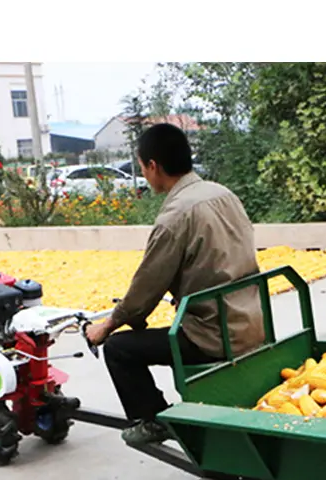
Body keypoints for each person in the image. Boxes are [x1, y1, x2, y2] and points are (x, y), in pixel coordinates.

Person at [85, 123, 264, 446]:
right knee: (149, 331)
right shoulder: (222, 193)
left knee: (119, 349)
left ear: (153, 166)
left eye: (141, 167)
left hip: (213, 334)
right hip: (251, 319)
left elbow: (146, 287)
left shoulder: (175, 217)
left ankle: (153, 420)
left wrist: (108, 326)